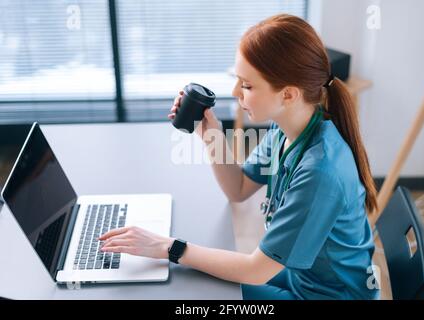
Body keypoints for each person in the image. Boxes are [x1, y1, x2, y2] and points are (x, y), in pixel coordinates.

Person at [99, 14, 380, 300]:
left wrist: (168, 247)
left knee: (199, 297)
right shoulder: (287, 128)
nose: (235, 93)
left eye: (246, 85)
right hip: (303, 278)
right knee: (196, 282)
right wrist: (212, 136)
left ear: (288, 94)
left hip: (329, 295)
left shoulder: (321, 172)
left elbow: (256, 270)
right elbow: (239, 189)